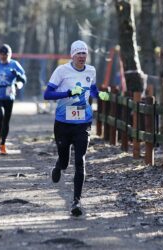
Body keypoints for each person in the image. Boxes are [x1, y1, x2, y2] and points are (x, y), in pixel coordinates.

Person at [44, 40, 109, 216]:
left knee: (80, 160)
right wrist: (68, 93)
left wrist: (99, 94)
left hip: (83, 123)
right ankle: (58, 166)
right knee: (65, 161)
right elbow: (47, 94)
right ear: (72, 55)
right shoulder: (61, 71)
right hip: (63, 123)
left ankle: (76, 201)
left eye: (84, 53)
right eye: (78, 53)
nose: (82, 56)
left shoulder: (91, 70)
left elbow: (92, 89)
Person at [0, 44, 26, 155]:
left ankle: (1, 143)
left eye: (6, 55)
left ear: (10, 55)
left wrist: (18, 80)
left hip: (9, 95)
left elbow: (23, 78)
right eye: (2, 54)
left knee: (5, 121)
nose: (3, 57)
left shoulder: (15, 64)